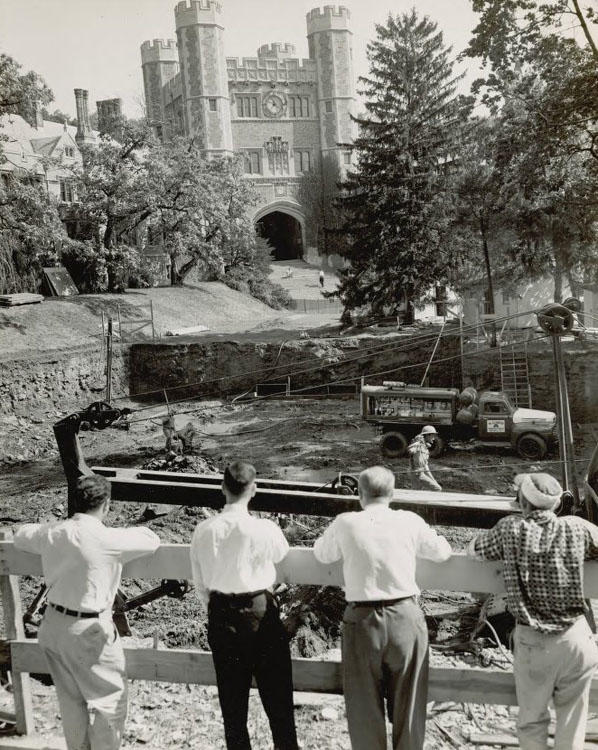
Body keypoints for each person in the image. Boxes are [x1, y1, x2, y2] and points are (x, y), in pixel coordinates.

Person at [13, 474, 160, 750]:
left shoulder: (54, 532)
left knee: (71, 702)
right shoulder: (109, 538)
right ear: (106, 505)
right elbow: (151, 539)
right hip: (89, 629)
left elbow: (21, 535)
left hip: (54, 625)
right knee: (111, 702)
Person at [313, 466, 452, 750]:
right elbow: (442, 552)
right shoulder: (409, 521)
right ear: (392, 493)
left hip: (362, 620)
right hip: (404, 616)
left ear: (360, 495)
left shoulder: (345, 522)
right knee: (410, 703)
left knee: (363, 705)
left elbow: (322, 554)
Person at [468, 473, 598, 750]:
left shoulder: (510, 529)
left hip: (535, 642)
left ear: (523, 503)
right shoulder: (577, 527)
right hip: (576, 638)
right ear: (555, 504)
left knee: (531, 723)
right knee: (572, 724)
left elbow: (474, 550)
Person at [190, 461, 298, 750]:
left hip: (222, 615)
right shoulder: (264, 528)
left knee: (232, 703)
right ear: (254, 489)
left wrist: (216, 608)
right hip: (260, 613)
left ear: (223, 488)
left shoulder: (204, 530)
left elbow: (200, 583)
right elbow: (281, 552)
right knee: (278, 700)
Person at [408, 425, 442, 491]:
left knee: (417, 493)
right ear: (427, 435)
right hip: (416, 473)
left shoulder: (425, 448)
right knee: (437, 489)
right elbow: (410, 450)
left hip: (419, 473)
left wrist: (433, 480)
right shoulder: (418, 445)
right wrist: (416, 445)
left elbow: (426, 467)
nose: (434, 438)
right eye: (433, 435)